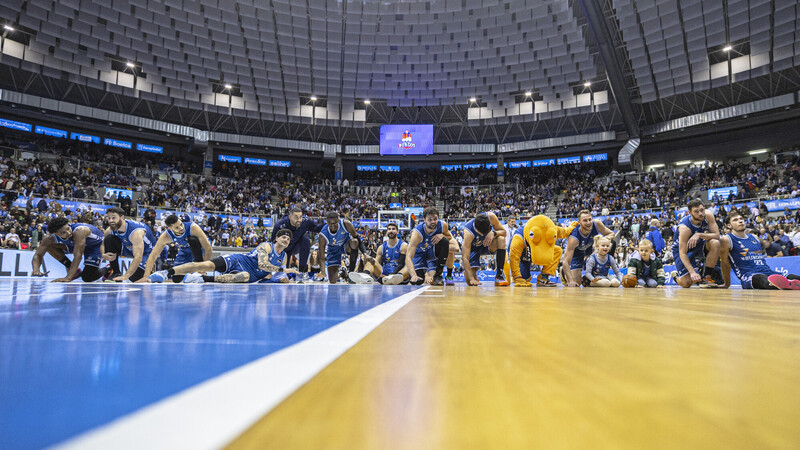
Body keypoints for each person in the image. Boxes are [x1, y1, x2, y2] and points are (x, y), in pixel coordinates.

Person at [169, 229, 298, 283]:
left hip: (249, 275)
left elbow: (272, 276)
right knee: (207, 265)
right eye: (283, 237)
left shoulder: (284, 256)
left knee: (244, 276)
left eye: (288, 239)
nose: (286, 240)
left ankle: (200, 279)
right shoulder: (267, 246)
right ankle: (168, 272)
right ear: (276, 238)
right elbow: (262, 264)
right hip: (238, 260)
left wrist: (281, 279)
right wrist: (283, 270)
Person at [720, 212, 799, 290]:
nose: (740, 221)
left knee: (792, 277)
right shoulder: (726, 239)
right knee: (763, 279)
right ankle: (785, 286)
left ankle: (787, 285)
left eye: (741, 219)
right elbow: (724, 263)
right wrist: (727, 284)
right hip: (749, 275)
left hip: (768, 272)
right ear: (728, 225)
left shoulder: (755, 237)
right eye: (735, 220)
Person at [32, 217, 109, 282]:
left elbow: (78, 256)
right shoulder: (49, 238)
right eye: (63, 232)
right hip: (76, 244)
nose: (68, 232)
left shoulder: (80, 231)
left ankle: (109, 268)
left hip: (95, 246)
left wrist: (68, 278)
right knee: (48, 246)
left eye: (68, 228)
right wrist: (36, 270)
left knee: (87, 277)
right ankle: (72, 268)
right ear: (56, 234)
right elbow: (38, 254)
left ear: (68, 224)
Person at [142, 215, 213, 283]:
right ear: (170, 228)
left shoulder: (193, 227)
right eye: (177, 227)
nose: (181, 228)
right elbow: (153, 255)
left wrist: (203, 269)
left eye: (181, 224)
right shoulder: (166, 236)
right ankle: (190, 275)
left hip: (200, 247)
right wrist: (146, 276)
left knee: (192, 240)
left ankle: (198, 272)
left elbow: (208, 248)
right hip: (185, 249)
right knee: (176, 279)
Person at [671, 200, 722, 288]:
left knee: (715, 242)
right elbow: (682, 253)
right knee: (687, 283)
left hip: (698, 242)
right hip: (682, 249)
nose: (700, 213)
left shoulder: (708, 215)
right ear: (690, 212)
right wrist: (692, 272)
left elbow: (717, 235)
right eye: (696, 211)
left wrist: (699, 234)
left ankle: (706, 277)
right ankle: (676, 277)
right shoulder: (685, 229)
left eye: (702, 210)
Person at [101, 207, 159, 282]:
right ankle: (116, 272)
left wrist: (126, 276)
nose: (111, 220)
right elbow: (102, 244)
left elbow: (138, 257)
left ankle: (152, 271)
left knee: (134, 278)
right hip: (129, 248)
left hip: (147, 252)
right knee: (109, 239)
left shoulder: (136, 232)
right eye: (109, 218)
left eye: (114, 218)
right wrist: (103, 254)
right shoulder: (110, 230)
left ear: (122, 217)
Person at [315, 212, 374, 283]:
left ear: (338, 220)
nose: (333, 226)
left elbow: (358, 239)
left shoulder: (346, 224)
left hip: (346, 245)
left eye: (335, 223)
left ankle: (351, 274)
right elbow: (321, 256)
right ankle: (342, 273)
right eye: (330, 224)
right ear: (327, 222)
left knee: (354, 241)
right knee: (333, 281)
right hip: (333, 250)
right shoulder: (323, 234)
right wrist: (322, 271)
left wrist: (365, 254)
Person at [562, 210, 616, 287]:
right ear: (579, 222)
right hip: (577, 252)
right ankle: (564, 274)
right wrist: (570, 281)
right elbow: (565, 261)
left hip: (591, 248)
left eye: (590, 219)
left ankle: (603, 271)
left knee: (611, 243)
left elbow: (612, 234)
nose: (588, 223)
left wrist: (602, 241)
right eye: (585, 220)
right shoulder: (574, 238)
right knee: (576, 283)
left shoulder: (596, 224)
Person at [270, 207, 324, 282]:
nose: (299, 220)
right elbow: (272, 243)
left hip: (296, 245)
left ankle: (302, 272)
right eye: (296, 217)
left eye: (300, 217)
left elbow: (317, 228)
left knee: (305, 240)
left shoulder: (305, 221)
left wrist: (328, 223)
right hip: (284, 249)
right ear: (290, 217)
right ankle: (281, 273)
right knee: (283, 276)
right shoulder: (280, 225)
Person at [405, 206, 453, 286]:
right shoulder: (417, 233)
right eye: (430, 219)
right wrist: (413, 275)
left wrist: (442, 235)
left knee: (445, 241)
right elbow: (408, 257)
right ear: (424, 219)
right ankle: (408, 275)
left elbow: (449, 237)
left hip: (431, 253)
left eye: (435, 219)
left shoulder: (442, 225)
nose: (433, 222)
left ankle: (438, 274)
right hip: (419, 255)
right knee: (418, 281)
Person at [460, 212, 509, 286]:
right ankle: (473, 273)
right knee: (471, 283)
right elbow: (464, 258)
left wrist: (493, 233)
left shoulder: (491, 217)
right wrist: (471, 278)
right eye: (481, 233)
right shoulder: (468, 233)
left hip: (487, 244)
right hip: (473, 250)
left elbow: (504, 233)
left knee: (501, 239)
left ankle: (499, 274)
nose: (483, 235)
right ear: (476, 229)